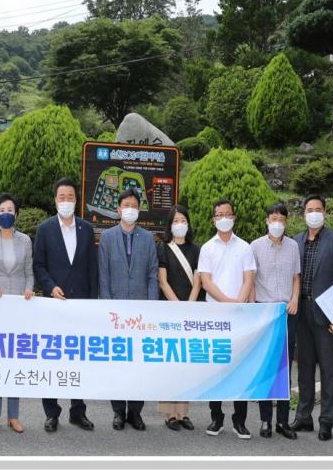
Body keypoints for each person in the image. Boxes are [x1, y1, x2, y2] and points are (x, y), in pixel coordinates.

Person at [32, 177, 98, 433]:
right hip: (54, 304)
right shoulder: (45, 229)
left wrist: (92, 303)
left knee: (78, 359)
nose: (66, 201)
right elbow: (39, 265)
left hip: (80, 305)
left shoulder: (86, 229)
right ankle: (51, 413)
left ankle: (78, 411)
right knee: (52, 358)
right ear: (55, 200)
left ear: (76, 200)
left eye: (70, 197)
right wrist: (50, 287)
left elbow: (92, 268)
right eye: (62, 197)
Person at [290, 194, 333, 442]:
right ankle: (303, 416)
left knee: (328, 369)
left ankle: (326, 421)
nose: (314, 213)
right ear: (303, 214)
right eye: (310, 209)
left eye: (318, 209)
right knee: (304, 368)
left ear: (324, 212)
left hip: (326, 313)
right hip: (301, 312)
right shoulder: (296, 241)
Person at [98, 188, 158, 432]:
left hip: (141, 312)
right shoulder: (107, 237)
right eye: (126, 205)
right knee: (117, 362)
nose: (130, 209)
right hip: (116, 311)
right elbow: (103, 275)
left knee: (138, 364)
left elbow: (152, 273)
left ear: (139, 209)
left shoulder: (148, 238)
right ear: (118, 209)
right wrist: (107, 306)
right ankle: (118, 411)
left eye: (134, 205)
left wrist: (151, 306)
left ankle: (135, 412)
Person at [197, 199, 256, 439]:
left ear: (234, 217)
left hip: (240, 316)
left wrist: (238, 303)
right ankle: (216, 417)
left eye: (228, 214)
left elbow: (249, 278)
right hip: (215, 315)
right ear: (214, 220)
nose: (224, 218)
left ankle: (239, 420)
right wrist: (226, 303)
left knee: (240, 368)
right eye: (219, 214)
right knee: (217, 368)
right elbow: (206, 282)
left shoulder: (245, 247)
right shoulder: (207, 248)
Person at [0, 193, 34, 434]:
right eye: (2, 210)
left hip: (19, 306)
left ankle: (13, 415)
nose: (6, 214)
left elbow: (29, 272)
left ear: (16, 214)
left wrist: (29, 289)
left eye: (10, 210)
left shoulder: (25, 241)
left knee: (15, 360)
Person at [249, 203, 300, 440]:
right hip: (265, 313)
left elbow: (296, 277)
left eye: (281, 219)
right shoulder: (255, 247)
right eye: (273, 219)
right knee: (266, 368)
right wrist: (253, 309)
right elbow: (251, 279)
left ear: (286, 222)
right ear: (267, 221)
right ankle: (265, 421)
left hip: (287, 313)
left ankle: (283, 421)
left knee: (285, 368)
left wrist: (295, 299)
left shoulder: (293, 246)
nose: (277, 223)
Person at [156, 204, 203, 431]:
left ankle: (183, 413)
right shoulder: (163, 248)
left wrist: (189, 307)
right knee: (170, 362)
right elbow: (163, 282)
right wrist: (178, 307)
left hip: (190, 311)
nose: (180, 224)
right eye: (176, 221)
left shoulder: (196, 249)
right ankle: (170, 414)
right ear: (170, 225)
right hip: (169, 311)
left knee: (187, 363)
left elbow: (198, 282)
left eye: (183, 220)